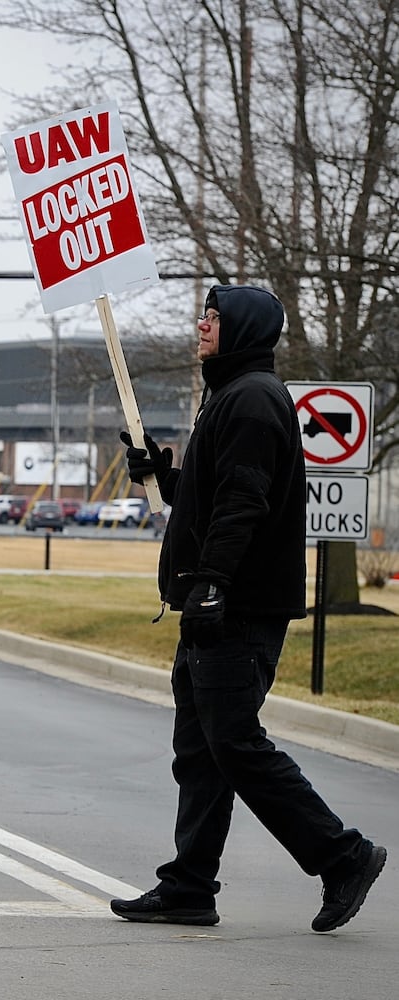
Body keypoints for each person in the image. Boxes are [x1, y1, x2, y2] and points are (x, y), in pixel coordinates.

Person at [110, 284, 386, 933]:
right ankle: (188, 886)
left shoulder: (254, 401)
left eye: (212, 317)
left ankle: (342, 856)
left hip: (237, 606)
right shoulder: (230, 396)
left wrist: (210, 584)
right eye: (203, 315)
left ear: (240, 329)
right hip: (216, 602)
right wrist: (162, 474)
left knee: (233, 741)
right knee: (201, 749)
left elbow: (244, 503)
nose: (200, 325)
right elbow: (212, 495)